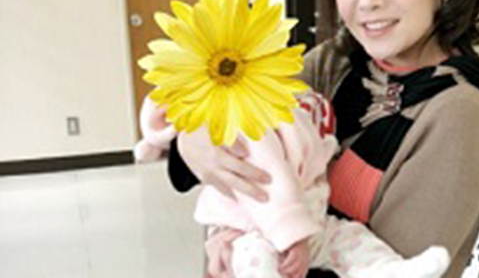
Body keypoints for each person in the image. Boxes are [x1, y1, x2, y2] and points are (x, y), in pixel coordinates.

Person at [160, 0, 479, 277]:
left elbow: (391, 268)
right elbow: (246, 128)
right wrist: (193, 140)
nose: (368, 1)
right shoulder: (336, 64)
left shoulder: (457, 113)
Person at [136, 91, 451, 278]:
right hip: (256, 232)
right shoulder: (252, 120)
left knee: (352, 239)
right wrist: (292, 237)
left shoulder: (453, 107)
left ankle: (388, 270)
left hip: (316, 226)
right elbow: (267, 186)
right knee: (255, 261)